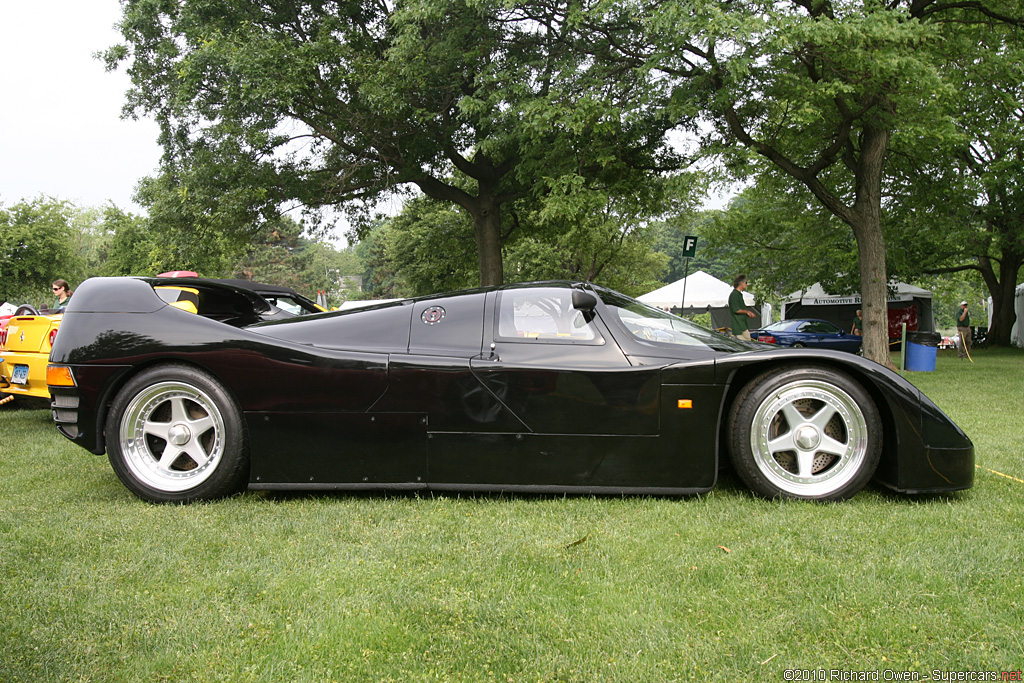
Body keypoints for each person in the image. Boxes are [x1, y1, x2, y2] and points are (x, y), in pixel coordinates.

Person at [729, 274, 758, 340]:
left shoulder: (738, 294)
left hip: (742, 325)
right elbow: (736, 310)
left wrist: (748, 313)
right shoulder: (734, 295)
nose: (747, 284)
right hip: (739, 327)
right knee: (746, 345)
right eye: (746, 282)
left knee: (748, 342)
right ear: (741, 283)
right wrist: (747, 311)